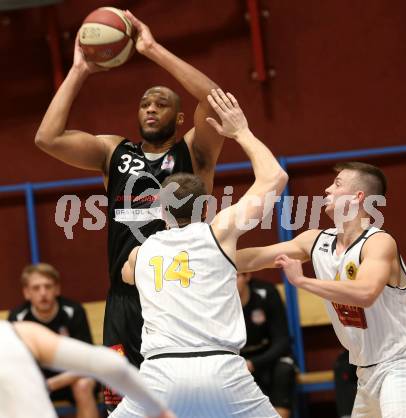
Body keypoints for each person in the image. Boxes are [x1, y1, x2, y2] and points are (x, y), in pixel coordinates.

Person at [35, 9, 225, 411]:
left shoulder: (193, 152)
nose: (151, 108)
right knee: (121, 407)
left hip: (179, 297)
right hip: (124, 300)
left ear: (177, 117)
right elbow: (47, 138)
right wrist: (79, 70)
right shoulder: (112, 152)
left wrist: (152, 49)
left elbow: (214, 101)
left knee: (186, 404)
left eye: (161, 103)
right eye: (144, 103)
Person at [109, 89, 288, 418]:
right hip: (223, 369)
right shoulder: (218, 232)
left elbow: (126, 276)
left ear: (162, 210)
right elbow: (275, 177)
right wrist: (242, 132)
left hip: (161, 373)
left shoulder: (140, 253)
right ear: (205, 207)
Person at [237, 162, 406, 417]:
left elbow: (365, 293)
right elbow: (256, 257)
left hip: (400, 364)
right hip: (364, 371)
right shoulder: (316, 240)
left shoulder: (379, 242)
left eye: (337, 184)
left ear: (358, 197)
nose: (327, 189)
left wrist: (304, 282)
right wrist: (204, 252)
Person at [0, 320, 175, 418]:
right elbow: (109, 364)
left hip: (60, 383)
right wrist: (158, 410)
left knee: (83, 385)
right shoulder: (16, 333)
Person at [8, 262, 99, 418]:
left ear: (57, 289)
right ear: (26, 292)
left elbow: (87, 363)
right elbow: (14, 365)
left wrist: (51, 384)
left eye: (48, 286)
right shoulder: (17, 318)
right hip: (35, 380)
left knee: (84, 384)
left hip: (70, 376)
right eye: (36, 288)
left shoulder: (73, 312)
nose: (43, 293)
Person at [333, 290, 406, 418]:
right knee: (342, 365)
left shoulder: (388, 288)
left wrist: (303, 281)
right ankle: (346, 414)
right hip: (376, 356)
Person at [237, 272, 296, 418]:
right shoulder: (217, 300)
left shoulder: (266, 292)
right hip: (238, 362)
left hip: (268, 358)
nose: (229, 282)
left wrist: (253, 363)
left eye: (234, 277)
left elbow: (282, 340)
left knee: (284, 370)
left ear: (247, 276)